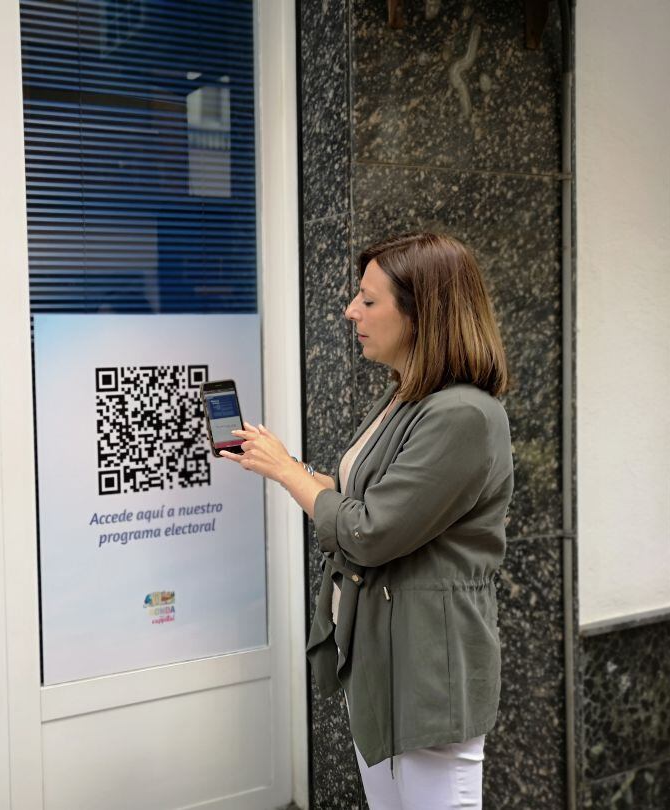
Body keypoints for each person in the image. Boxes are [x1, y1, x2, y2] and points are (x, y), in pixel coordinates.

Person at [220, 232, 514, 809]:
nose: (351, 311)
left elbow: (370, 532)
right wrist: (287, 463)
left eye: (369, 300)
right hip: (382, 660)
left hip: (427, 671)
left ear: (421, 313)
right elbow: (361, 500)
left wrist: (288, 473)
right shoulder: (407, 398)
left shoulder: (462, 415)